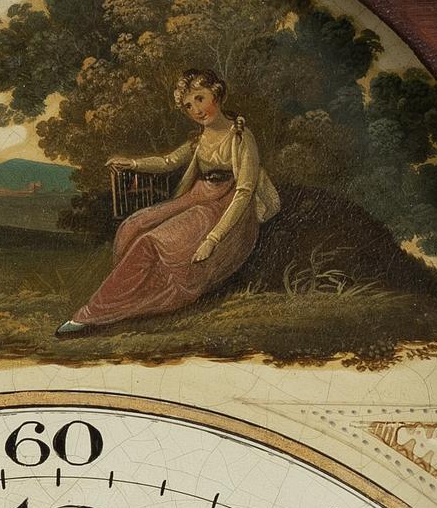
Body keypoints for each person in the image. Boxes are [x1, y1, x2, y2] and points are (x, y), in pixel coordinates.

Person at [58, 69, 281, 336]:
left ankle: (92, 313)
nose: (196, 110)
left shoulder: (241, 137)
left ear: (217, 94)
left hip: (227, 208)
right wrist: (133, 163)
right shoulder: (199, 139)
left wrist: (212, 239)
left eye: (200, 99)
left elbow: (244, 192)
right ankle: (128, 298)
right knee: (133, 226)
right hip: (198, 196)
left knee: (151, 241)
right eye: (188, 105)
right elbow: (168, 161)